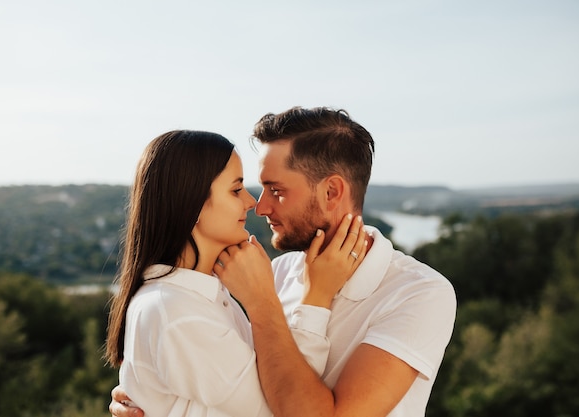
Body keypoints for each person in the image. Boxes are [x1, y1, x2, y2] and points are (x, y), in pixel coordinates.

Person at [110, 107, 457, 417]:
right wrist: (151, 391)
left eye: (276, 191)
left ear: (331, 192)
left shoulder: (418, 293)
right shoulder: (275, 273)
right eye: (249, 189)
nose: (259, 207)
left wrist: (267, 305)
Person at [105, 129, 367, 417]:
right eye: (235, 189)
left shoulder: (204, 296)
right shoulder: (176, 311)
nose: (251, 202)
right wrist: (316, 297)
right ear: (191, 202)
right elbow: (282, 409)